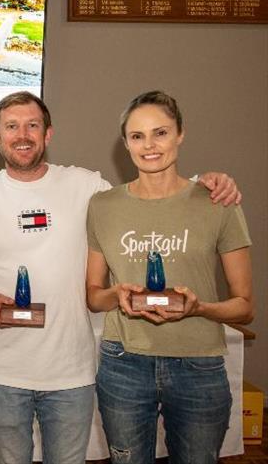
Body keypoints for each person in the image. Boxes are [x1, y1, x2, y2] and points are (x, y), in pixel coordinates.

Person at [0, 91, 242, 464]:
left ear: (48, 134)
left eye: (33, 125)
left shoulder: (87, 187)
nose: (23, 135)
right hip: (2, 370)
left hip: (72, 372)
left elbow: (146, 199)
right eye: (11, 127)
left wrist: (203, 181)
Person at [86, 90, 253, 464]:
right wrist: (119, 294)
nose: (149, 145)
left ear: (180, 133)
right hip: (124, 362)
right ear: (125, 143)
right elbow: (94, 296)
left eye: (160, 133)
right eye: (137, 136)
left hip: (198, 365)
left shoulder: (218, 202)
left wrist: (199, 307)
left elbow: (245, 307)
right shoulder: (103, 206)